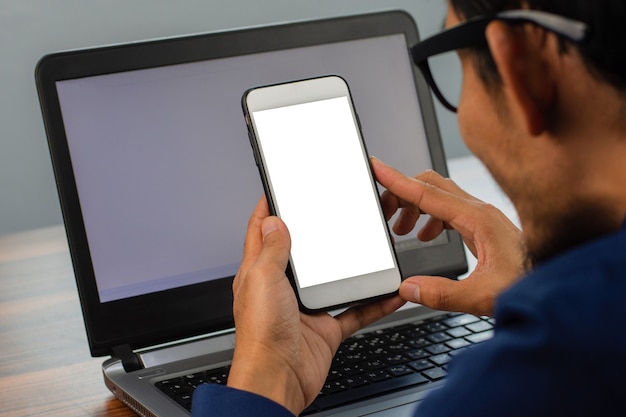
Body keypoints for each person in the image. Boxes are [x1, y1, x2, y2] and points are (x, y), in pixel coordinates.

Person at [192, 0, 626, 415]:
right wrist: (536, 284)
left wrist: (267, 376)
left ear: (522, 70)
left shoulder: (531, 378)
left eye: (455, 62)